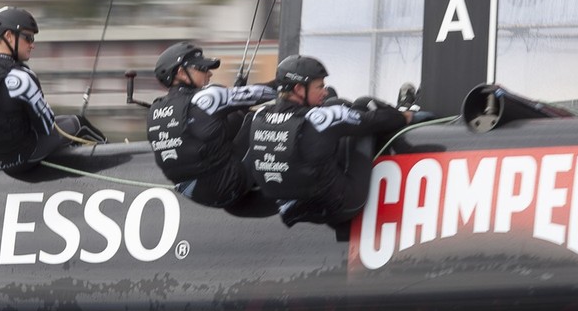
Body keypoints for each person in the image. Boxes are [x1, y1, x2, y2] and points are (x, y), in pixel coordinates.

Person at [245, 55, 413, 230]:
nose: (324, 91)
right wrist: (402, 117)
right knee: (363, 105)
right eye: (320, 86)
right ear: (299, 89)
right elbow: (374, 121)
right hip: (343, 206)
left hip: (293, 207)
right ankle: (405, 110)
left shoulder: (259, 115)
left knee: (332, 110)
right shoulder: (320, 119)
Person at [0, 6, 97, 175]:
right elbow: (47, 126)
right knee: (78, 123)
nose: (32, 45)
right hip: (16, 159)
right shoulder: (21, 78)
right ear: (8, 35)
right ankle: (121, 159)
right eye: (28, 38)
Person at [147, 42, 277, 215]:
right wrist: (294, 82)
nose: (209, 72)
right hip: (230, 185)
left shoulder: (155, 110)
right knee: (262, 117)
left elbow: (202, 131)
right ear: (181, 73)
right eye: (202, 68)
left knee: (233, 119)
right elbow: (264, 93)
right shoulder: (208, 96)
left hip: (198, 195)